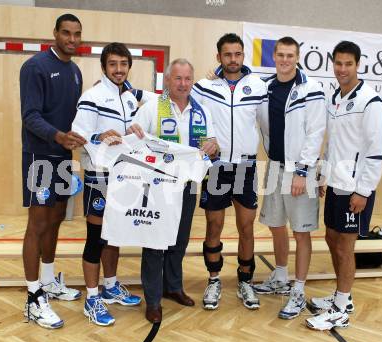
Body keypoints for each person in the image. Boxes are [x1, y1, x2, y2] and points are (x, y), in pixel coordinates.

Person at [128, 58, 219, 323]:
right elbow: (133, 139)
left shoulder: (201, 110)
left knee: (179, 240)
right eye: (177, 78)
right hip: (158, 187)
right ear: (167, 80)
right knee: (155, 242)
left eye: (187, 79)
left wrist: (213, 145)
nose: (183, 84)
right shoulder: (153, 107)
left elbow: (211, 143)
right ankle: (153, 299)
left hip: (188, 185)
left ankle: (173, 287)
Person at [72, 42, 155, 326]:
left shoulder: (130, 99)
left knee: (114, 234)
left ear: (129, 66)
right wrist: (97, 136)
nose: (118, 69)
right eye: (113, 64)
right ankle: (92, 298)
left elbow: (137, 123)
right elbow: (77, 133)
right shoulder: (92, 96)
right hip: (99, 175)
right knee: (95, 237)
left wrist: (134, 129)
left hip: (124, 175)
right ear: (104, 67)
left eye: (123, 64)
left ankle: (110, 285)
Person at [306, 41, 382, 330]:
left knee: (344, 249)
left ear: (358, 64)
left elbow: (376, 151)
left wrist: (363, 191)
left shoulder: (371, 101)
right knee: (331, 238)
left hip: (355, 189)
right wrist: (324, 176)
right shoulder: (335, 99)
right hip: (336, 185)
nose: (342, 69)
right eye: (338, 63)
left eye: (348, 64)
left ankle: (340, 309)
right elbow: (333, 144)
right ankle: (343, 297)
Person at [190, 33, 266, 310]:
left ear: (243, 55)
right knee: (214, 226)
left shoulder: (258, 86)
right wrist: (201, 143)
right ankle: (213, 280)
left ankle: (245, 281)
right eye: (227, 54)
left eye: (238, 54)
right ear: (218, 56)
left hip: (246, 166)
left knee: (246, 228)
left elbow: (267, 125)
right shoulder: (204, 86)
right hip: (216, 167)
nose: (233, 60)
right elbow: (188, 116)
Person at [253, 37, 326, 320]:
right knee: (275, 225)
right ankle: (281, 276)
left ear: (297, 57)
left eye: (290, 55)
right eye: (280, 55)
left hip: (300, 171)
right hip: (274, 166)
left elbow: (316, 131)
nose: (284, 60)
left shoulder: (311, 88)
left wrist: (303, 171)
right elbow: (237, 76)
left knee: (301, 232)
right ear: (274, 56)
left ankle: (298, 289)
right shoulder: (266, 86)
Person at [20, 14, 85, 329]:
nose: (72, 39)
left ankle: (47, 281)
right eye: (66, 33)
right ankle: (33, 298)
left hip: (62, 157)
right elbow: (29, 116)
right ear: (56, 34)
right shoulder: (35, 67)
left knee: (57, 218)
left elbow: (75, 118)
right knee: (38, 223)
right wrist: (58, 136)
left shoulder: (75, 71)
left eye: (76, 34)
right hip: (40, 156)